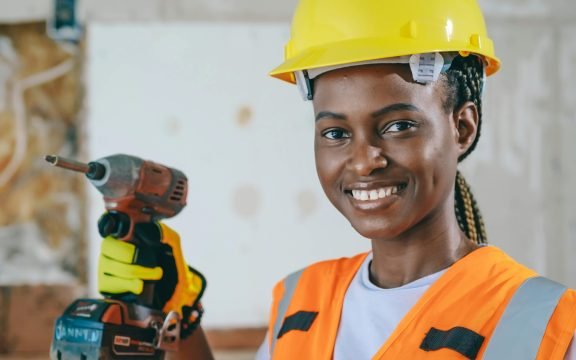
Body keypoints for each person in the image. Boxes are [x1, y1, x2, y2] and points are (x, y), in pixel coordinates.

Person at [98, 0, 576, 359]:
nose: (363, 161)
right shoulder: (299, 301)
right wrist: (179, 313)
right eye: (335, 132)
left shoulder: (544, 325)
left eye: (398, 125)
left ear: (462, 127)